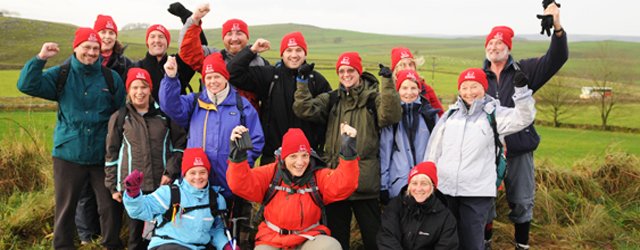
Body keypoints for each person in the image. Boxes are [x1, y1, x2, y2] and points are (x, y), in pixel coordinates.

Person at [17, 27, 125, 249]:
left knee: (109, 207)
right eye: (87, 47)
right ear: (76, 48)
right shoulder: (61, 74)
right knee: (65, 208)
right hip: (68, 154)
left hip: (101, 155)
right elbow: (26, 85)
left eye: (95, 48)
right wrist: (40, 59)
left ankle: (111, 246)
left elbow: (122, 113)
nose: (91, 52)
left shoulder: (110, 78)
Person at [293, 52, 402, 250]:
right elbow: (304, 109)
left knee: (373, 238)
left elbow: (391, 115)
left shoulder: (372, 99)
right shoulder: (333, 99)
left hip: (364, 181)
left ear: (359, 72)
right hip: (336, 179)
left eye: (350, 70)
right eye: (341, 71)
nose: (346, 74)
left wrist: (387, 82)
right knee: (337, 238)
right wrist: (302, 82)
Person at [481, 3, 568, 249]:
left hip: (519, 149)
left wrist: (558, 28)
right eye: (490, 43)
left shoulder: (525, 70)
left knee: (521, 202)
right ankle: (486, 243)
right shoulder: (478, 78)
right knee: (485, 201)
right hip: (487, 152)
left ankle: (522, 245)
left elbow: (557, 58)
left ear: (508, 48)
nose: (494, 47)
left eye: (499, 43)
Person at [424, 68, 536, 250]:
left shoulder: (494, 114)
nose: (469, 92)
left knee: (472, 241)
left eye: (474, 86)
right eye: (464, 87)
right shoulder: (450, 115)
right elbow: (433, 151)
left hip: (476, 192)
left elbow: (524, 118)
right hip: (445, 189)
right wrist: (428, 180)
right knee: (446, 239)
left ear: (484, 87)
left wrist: (521, 91)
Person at [159, 52, 264, 226]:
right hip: (197, 181)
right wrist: (170, 78)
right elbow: (170, 106)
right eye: (208, 77)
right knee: (198, 225)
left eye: (217, 76)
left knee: (225, 227)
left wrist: (241, 168)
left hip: (230, 182)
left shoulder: (242, 107)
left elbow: (256, 141)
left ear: (225, 78)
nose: (212, 81)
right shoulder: (195, 102)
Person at [226, 125, 359, 249]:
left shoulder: (317, 176)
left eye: (304, 155)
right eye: (293, 156)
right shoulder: (271, 174)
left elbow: (344, 184)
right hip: (272, 238)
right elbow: (240, 184)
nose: (300, 162)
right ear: (283, 158)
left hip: (308, 238)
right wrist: (237, 157)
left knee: (330, 246)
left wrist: (348, 154)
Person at [104, 68, 187, 250]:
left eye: (144, 87)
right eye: (135, 87)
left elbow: (180, 147)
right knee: (135, 239)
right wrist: (113, 186)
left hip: (162, 188)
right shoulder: (120, 117)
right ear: (128, 90)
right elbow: (112, 154)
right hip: (134, 192)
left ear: (150, 90)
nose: (139, 92)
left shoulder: (165, 115)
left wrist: (170, 172)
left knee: (163, 235)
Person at [74, 14, 135, 245]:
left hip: (116, 131)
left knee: (110, 184)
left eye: (111, 33)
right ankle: (86, 236)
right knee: (84, 189)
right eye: (103, 32)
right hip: (85, 133)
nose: (107, 37)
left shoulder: (125, 64)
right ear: (95, 35)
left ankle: (112, 233)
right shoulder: (84, 59)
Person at [228, 32, 332, 164]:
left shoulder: (317, 80)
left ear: (305, 53)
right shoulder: (269, 76)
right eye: (289, 50)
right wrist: (252, 50)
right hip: (273, 158)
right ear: (282, 54)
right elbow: (232, 73)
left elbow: (328, 115)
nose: (294, 55)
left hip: (306, 159)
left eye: (298, 50)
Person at [122, 148, 231, 250]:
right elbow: (141, 210)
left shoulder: (216, 199)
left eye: (202, 172)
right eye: (192, 173)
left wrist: (226, 245)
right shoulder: (170, 193)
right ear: (184, 174)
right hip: (167, 244)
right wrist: (133, 194)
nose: (198, 177)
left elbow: (216, 230)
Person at [178, 3, 268, 112]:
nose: (234, 38)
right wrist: (195, 19)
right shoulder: (212, 57)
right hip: (215, 121)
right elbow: (187, 50)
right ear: (223, 38)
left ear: (247, 37)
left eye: (239, 33)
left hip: (248, 123)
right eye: (229, 34)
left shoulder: (261, 63)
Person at [379, 70, 440, 204]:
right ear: (397, 90)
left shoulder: (429, 116)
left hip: (425, 185)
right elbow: (384, 152)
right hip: (399, 185)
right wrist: (383, 185)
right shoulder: (392, 118)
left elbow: (437, 151)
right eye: (404, 88)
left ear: (419, 89)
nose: (409, 92)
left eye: (413, 88)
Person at [377, 161, 458, 250]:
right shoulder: (395, 206)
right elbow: (387, 237)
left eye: (424, 183)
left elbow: (447, 246)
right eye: (414, 183)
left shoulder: (445, 217)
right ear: (409, 186)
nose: (418, 188)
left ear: (433, 187)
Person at [133, 24, 196, 104]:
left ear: (167, 43)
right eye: (152, 37)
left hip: (176, 115)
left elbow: (195, 48)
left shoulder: (178, 63)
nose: (157, 40)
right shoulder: (136, 67)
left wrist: (191, 21)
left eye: (161, 37)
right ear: (147, 42)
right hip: (146, 116)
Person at [390, 47, 444, 117]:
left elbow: (441, 117)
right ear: (395, 70)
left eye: (411, 64)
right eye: (403, 65)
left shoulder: (426, 89)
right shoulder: (389, 91)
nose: (408, 68)